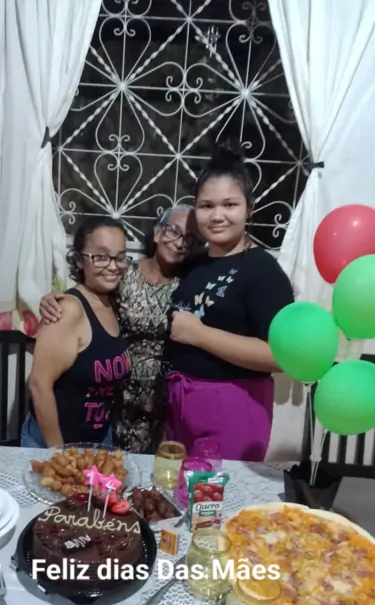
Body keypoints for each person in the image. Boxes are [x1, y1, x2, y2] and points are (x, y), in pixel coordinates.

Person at [164, 144, 295, 461]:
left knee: (217, 492)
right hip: (180, 404)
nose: (217, 216)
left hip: (234, 408)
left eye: (230, 204)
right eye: (206, 206)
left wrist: (199, 334)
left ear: (249, 209)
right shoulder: (195, 263)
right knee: (175, 489)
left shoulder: (263, 270)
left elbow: (280, 357)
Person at [39, 205, 200, 453]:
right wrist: (52, 299)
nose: (180, 243)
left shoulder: (191, 285)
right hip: (114, 396)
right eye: (173, 231)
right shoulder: (123, 273)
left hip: (163, 399)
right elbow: (88, 292)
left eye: (189, 238)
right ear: (157, 233)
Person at [21, 217, 131, 448]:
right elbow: (39, 385)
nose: (113, 266)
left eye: (120, 257)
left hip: (98, 439)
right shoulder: (69, 309)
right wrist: (59, 455)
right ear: (80, 260)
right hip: (55, 444)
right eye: (101, 257)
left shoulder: (113, 303)